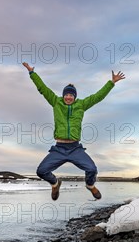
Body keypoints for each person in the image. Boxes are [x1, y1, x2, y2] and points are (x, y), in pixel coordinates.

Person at [22, 62, 125, 200]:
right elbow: (43, 88)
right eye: (67, 94)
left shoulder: (81, 105)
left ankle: (90, 186)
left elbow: (98, 96)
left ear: (75, 97)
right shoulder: (55, 102)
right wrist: (32, 73)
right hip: (59, 148)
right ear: (63, 95)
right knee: (41, 171)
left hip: (75, 148)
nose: (69, 97)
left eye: (71, 95)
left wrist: (111, 83)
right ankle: (55, 183)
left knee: (92, 169)